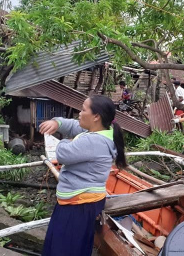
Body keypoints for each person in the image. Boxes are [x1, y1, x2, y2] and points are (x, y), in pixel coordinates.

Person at [39, 95, 127, 256]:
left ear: (96, 116)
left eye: (83, 109)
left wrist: (67, 140)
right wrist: (57, 122)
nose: (79, 113)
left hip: (79, 203)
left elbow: (63, 153)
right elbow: (74, 126)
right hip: (84, 200)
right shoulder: (104, 129)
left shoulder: (94, 141)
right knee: (76, 245)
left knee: (65, 249)